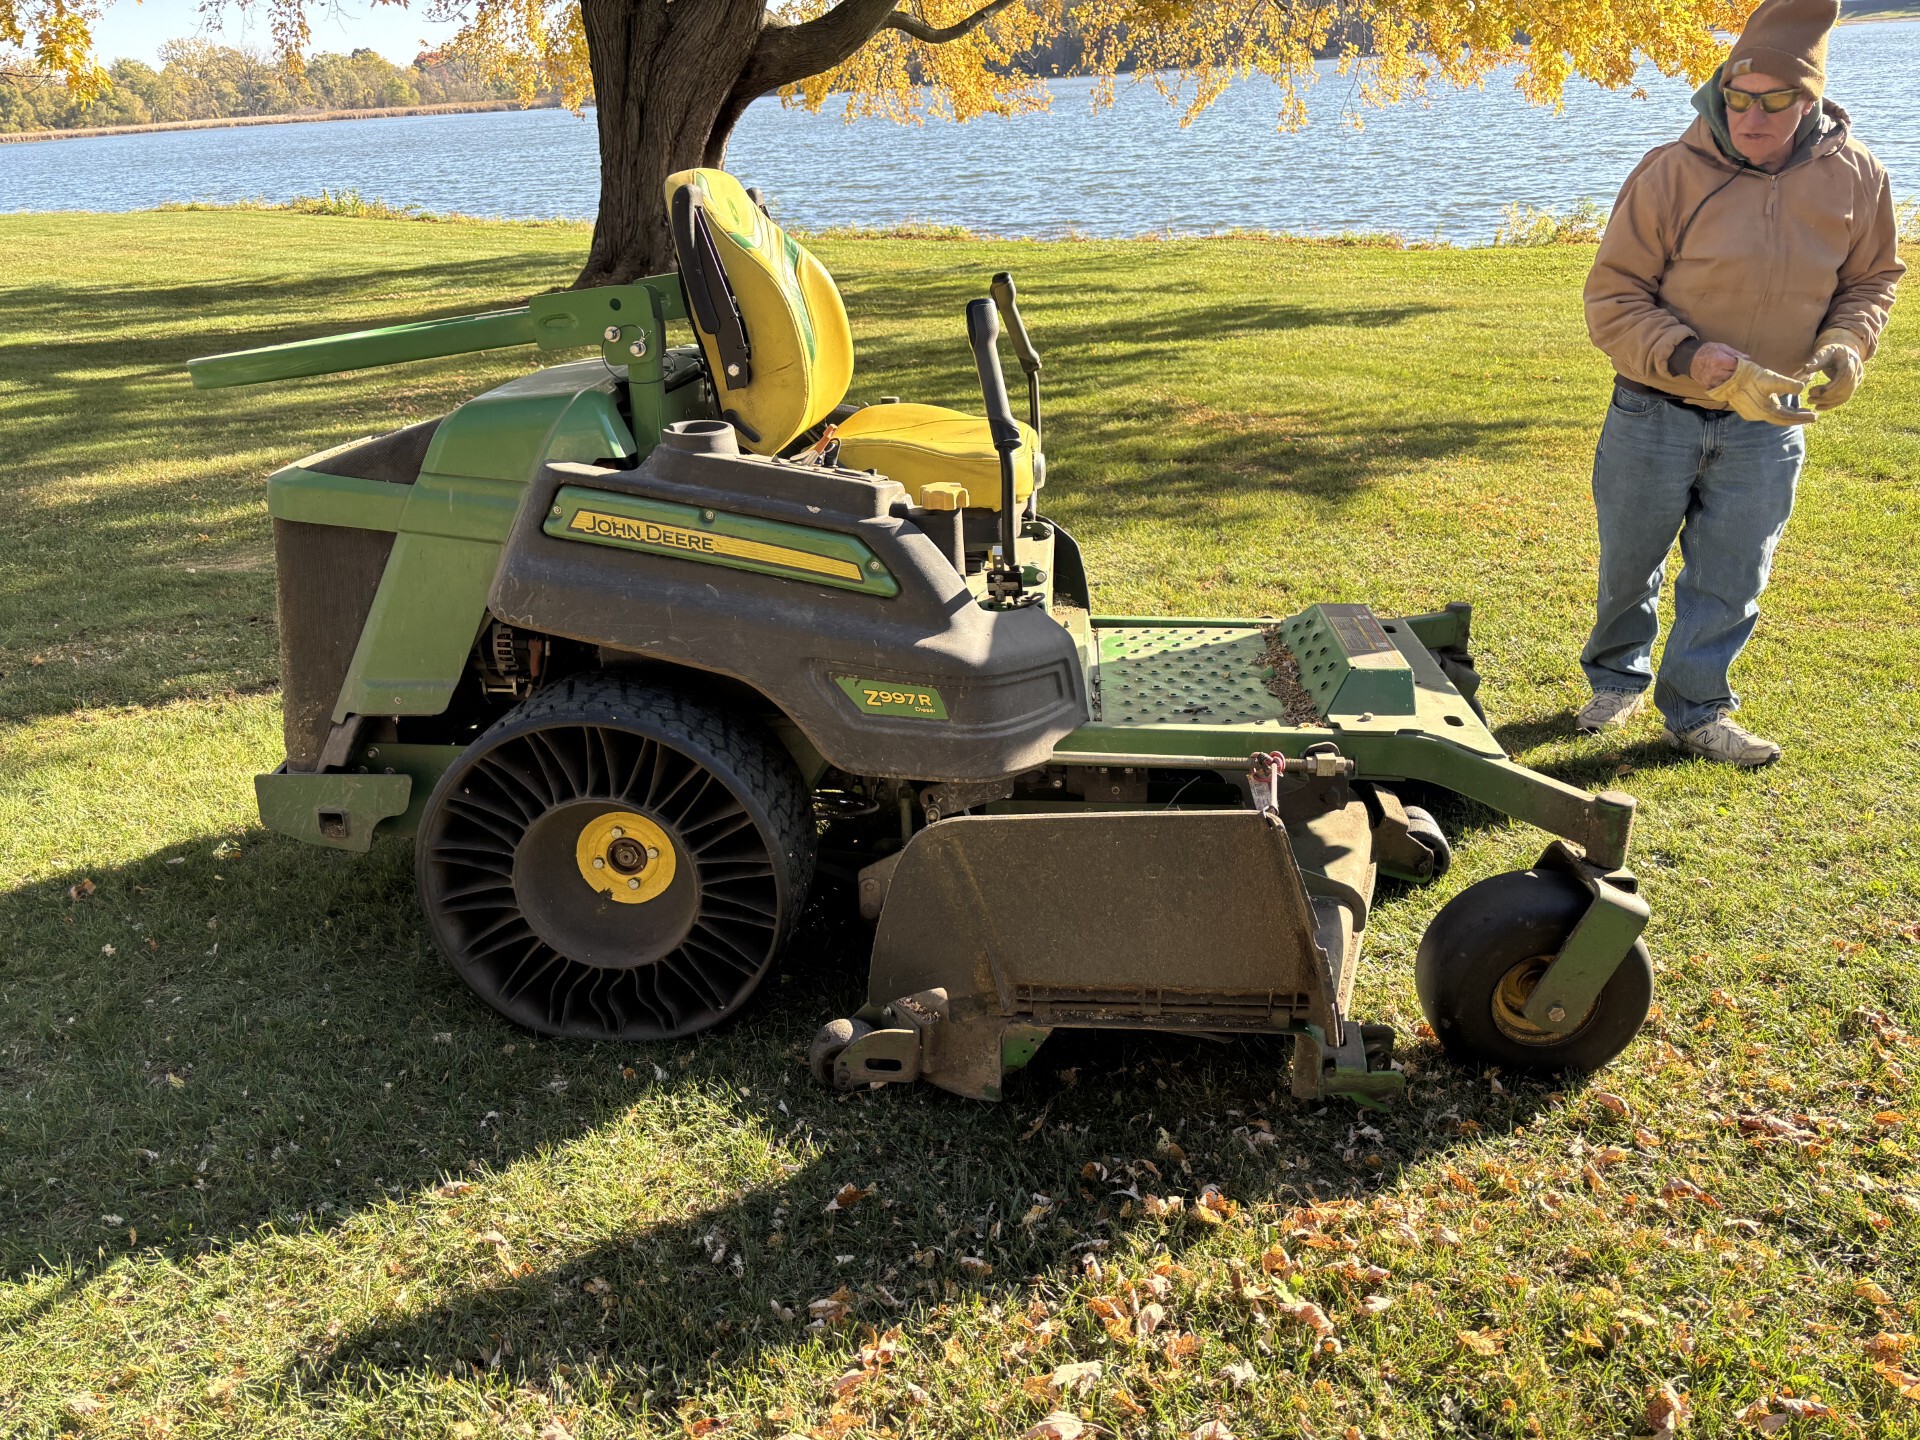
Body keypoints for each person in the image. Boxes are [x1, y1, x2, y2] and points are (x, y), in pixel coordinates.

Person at [1577, 0, 1902, 766]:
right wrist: (1690, 356)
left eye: (1775, 101)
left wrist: (1846, 344)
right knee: (1629, 564)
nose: (1752, 117)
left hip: (1769, 419)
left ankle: (1696, 710)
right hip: (1656, 409)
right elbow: (1613, 297)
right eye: (1738, 97)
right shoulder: (1669, 173)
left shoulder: (1858, 176)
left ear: (1810, 99)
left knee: (1732, 574)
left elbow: (1871, 280)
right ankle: (1617, 680)